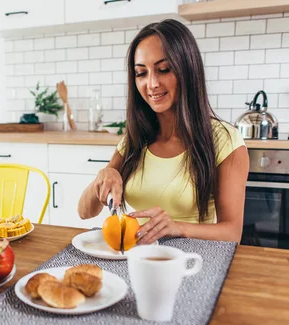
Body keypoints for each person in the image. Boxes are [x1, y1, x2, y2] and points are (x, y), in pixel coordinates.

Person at [78, 19, 249, 244]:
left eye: (163, 70)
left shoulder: (224, 140)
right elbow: (85, 212)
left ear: (187, 70)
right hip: (135, 256)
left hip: (194, 262)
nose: (152, 84)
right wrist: (103, 176)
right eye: (141, 73)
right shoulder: (135, 138)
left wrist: (176, 227)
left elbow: (232, 232)